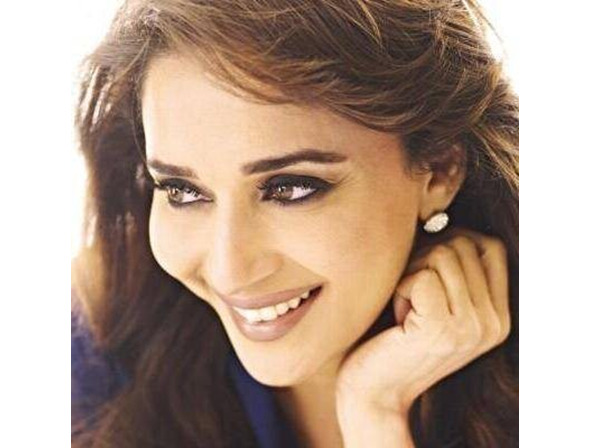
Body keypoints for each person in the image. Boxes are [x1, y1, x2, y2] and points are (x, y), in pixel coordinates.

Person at [71, 0, 518, 446]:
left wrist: (372, 412)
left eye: (289, 189)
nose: (229, 271)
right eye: (182, 191)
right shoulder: (98, 343)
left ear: (438, 171)